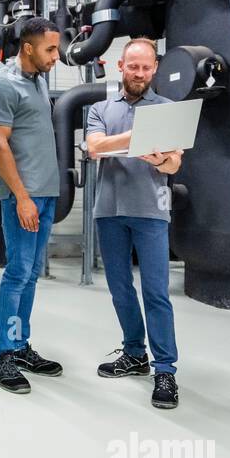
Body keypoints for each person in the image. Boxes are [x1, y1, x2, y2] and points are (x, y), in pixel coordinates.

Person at [84, 37, 183, 409]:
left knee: (156, 292)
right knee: (120, 289)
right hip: (109, 211)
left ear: (154, 69)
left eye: (146, 67)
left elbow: (174, 163)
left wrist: (156, 159)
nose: (139, 73)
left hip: (151, 211)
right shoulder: (99, 108)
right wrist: (139, 138)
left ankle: (165, 370)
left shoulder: (169, 110)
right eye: (133, 66)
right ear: (120, 66)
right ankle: (133, 354)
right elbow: (94, 147)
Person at [0, 17, 65, 394]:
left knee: (31, 274)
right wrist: (22, 197)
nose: (56, 56)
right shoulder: (2, 84)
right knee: (17, 272)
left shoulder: (39, 80)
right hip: (24, 196)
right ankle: (4, 355)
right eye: (50, 49)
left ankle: (20, 345)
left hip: (45, 193)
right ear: (28, 48)